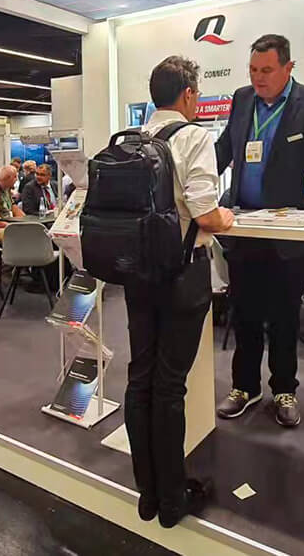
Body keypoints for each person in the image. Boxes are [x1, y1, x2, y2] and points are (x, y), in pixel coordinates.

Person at [124, 56, 235, 528]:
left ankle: (148, 493)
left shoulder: (130, 139)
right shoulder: (194, 137)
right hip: (181, 273)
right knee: (169, 385)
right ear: (189, 94)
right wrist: (227, 217)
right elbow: (206, 212)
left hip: (137, 275)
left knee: (140, 378)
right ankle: (173, 500)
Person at [214, 34, 304, 428]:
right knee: (246, 314)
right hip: (245, 228)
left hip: (289, 231)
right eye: (253, 70)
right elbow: (224, 149)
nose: (258, 77)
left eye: (267, 70)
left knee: (285, 316)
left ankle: (285, 389)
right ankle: (244, 387)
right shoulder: (242, 99)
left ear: (289, 68)